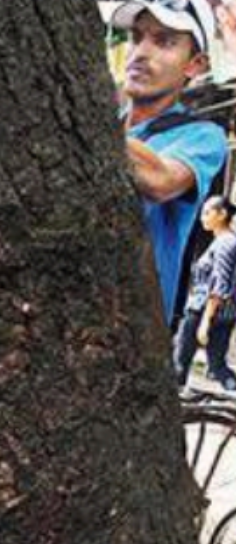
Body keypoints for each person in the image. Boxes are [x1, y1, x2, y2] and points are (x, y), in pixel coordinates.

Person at [111, 0, 228, 323]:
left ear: (195, 65)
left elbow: (160, 181)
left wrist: (79, 118)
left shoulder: (204, 137)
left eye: (164, 42)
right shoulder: (109, 123)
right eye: (137, 38)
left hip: (129, 337)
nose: (140, 53)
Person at [175, 195, 236, 390]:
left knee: (180, 362)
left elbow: (220, 283)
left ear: (222, 214)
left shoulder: (225, 243)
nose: (202, 217)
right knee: (217, 367)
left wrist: (205, 322)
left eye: (207, 212)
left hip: (203, 310)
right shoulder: (225, 241)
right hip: (224, 313)